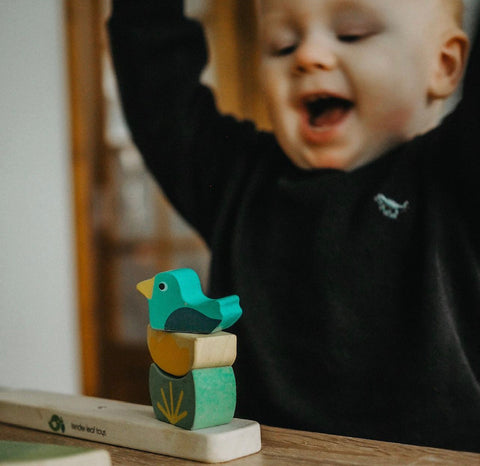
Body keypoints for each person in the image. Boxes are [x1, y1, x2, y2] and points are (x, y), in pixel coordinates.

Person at [108, 0, 480, 452]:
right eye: (282, 45)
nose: (308, 56)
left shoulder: (453, 178)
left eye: (352, 34)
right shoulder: (238, 181)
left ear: (444, 65)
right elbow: (157, 82)